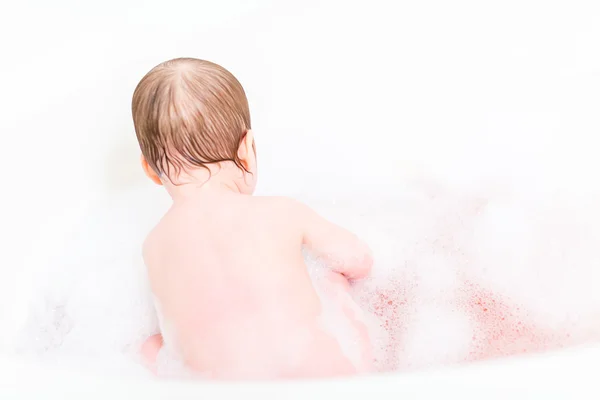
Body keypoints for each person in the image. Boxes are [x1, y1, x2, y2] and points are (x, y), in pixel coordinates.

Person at [132, 58, 373, 379]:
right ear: (247, 148)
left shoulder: (154, 245)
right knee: (332, 282)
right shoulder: (281, 211)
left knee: (152, 346)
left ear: (150, 171)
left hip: (219, 388)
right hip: (318, 380)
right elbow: (359, 261)